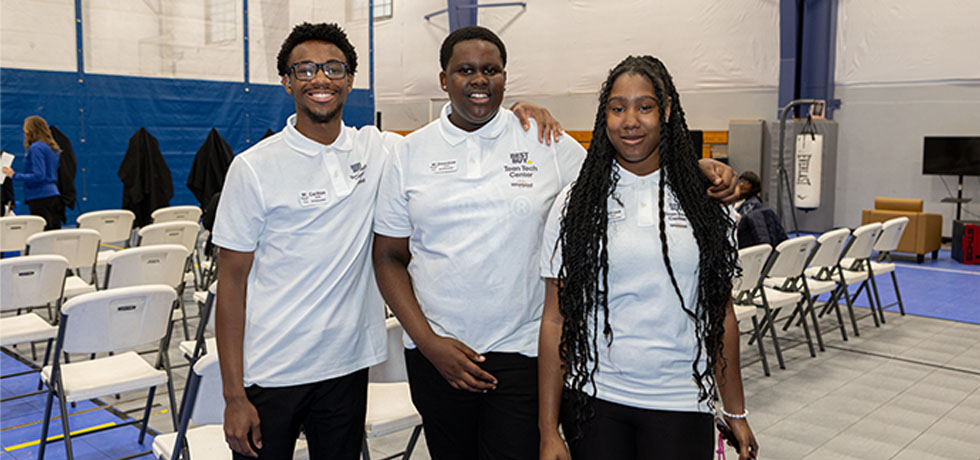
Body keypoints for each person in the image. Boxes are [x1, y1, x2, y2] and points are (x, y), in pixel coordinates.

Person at [372, 27, 739, 460]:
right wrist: (430, 343)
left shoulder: (544, 140)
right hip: (439, 354)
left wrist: (693, 169)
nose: (478, 79)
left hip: (524, 353)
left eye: (490, 69)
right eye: (464, 70)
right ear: (442, 79)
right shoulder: (408, 153)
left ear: (505, 77)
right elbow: (389, 256)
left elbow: (622, 170)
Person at [212, 22, 564, 460]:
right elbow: (231, 283)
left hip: (347, 366)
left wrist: (520, 114)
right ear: (286, 81)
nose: (321, 79)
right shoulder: (253, 169)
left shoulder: (381, 150)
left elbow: (460, 131)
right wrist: (233, 395)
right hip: (271, 371)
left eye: (334, 68)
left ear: (350, 81)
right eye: (305, 69)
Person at [538, 56, 759, 460]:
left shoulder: (707, 201)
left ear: (668, 110)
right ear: (604, 115)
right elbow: (555, 319)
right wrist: (548, 429)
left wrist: (735, 409)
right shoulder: (575, 204)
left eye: (645, 107)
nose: (630, 121)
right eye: (618, 108)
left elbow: (721, 314)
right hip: (595, 401)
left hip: (681, 401)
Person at [2, 116, 63, 230]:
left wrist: (14, 175)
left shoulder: (36, 148)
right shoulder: (53, 148)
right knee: (53, 233)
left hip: (40, 197)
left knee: (42, 235)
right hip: (53, 195)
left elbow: (39, 175)